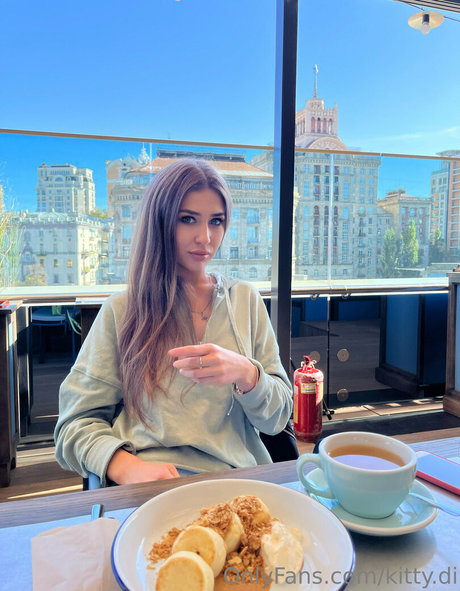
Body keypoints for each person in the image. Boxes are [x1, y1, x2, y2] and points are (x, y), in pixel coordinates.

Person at [54, 158, 293, 486]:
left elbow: (278, 419)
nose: (205, 237)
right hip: (149, 485)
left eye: (216, 221)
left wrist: (247, 374)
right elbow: (73, 425)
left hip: (236, 484)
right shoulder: (122, 311)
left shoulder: (245, 300)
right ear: (160, 221)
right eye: (187, 219)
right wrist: (123, 466)